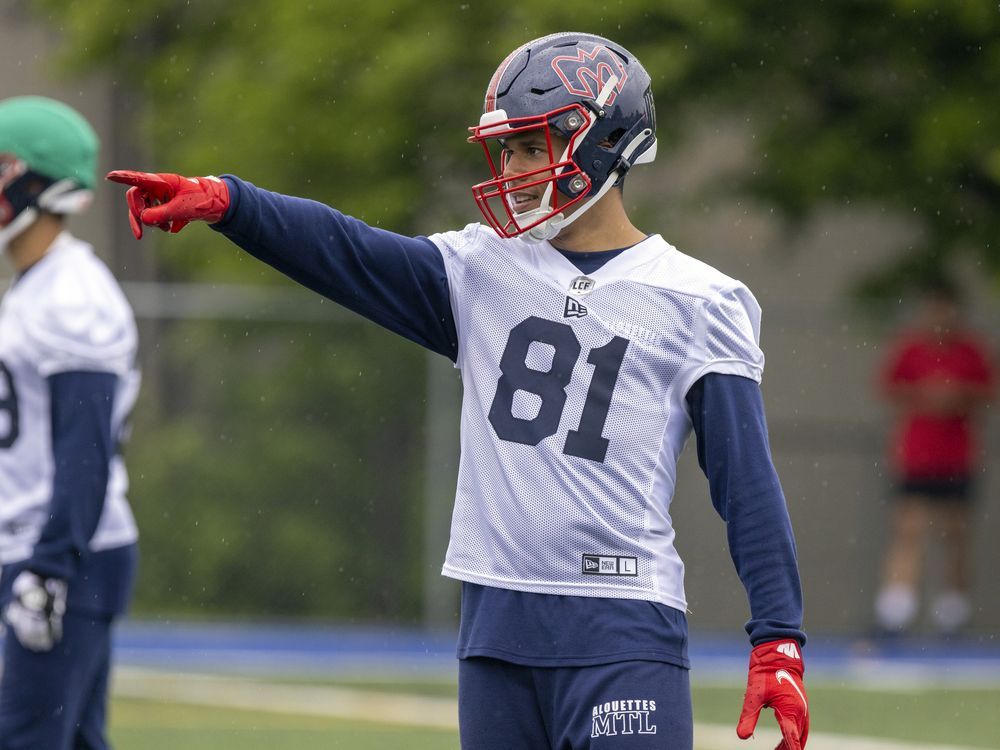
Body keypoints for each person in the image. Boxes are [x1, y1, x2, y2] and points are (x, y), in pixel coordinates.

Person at [108, 33, 808, 750]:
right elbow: (345, 249)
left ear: (602, 142)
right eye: (506, 150)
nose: (515, 168)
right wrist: (230, 202)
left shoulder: (698, 299)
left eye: (533, 146)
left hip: (621, 623)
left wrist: (777, 634)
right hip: (495, 625)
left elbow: (744, 480)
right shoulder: (481, 269)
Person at [0, 96, 141, 749]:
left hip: (59, 553)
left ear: (36, 181)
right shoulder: (35, 288)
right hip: (41, 544)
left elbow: (83, 452)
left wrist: (50, 570)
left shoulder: (71, 296)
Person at [873, 277, 993, 637]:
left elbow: (986, 391)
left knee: (955, 533)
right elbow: (890, 387)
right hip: (917, 455)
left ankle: (952, 614)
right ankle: (896, 612)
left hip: (956, 457)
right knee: (908, 530)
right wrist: (926, 394)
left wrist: (957, 395)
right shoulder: (911, 349)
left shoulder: (971, 351)